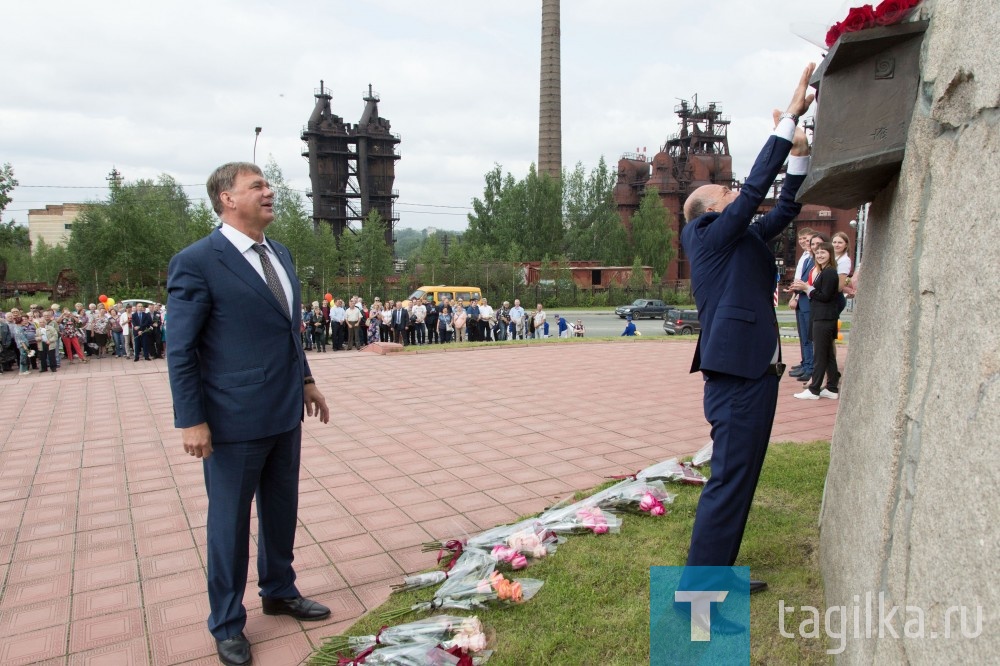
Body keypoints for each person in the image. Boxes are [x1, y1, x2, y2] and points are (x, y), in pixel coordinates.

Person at [166, 161, 331, 666]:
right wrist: (190, 419)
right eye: (256, 186)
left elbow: (287, 328)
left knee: (281, 510)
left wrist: (306, 379)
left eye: (268, 184)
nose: (269, 191)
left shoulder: (278, 252)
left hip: (284, 410)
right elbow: (181, 349)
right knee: (230, 525)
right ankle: (226, 622)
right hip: (232, 420)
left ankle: (279, 589)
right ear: (225, 199)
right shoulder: (197, 261)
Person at [679, 64, 814, 592]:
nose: (737, 194)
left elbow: (782, 208)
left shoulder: (740, 238)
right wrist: (788, 117)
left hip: (753, 372)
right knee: (729, 481)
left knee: (741, 480)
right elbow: (758, 187)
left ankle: (715, 577)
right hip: (736, 377)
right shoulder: (706, 234)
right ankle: (697, 596)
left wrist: (798, 151)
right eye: (727, 192)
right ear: (709, 210)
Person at [792, 241, 841, 400]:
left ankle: (814, 390)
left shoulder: (829, 272)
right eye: (817, 253)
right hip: (822, 316)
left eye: (823, 253)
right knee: (827, 355)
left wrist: (807, 289)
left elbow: (825, 296)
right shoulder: (824, 271)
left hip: (824, 317)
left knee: (819, 355)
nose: (819, 255)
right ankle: (832, 388)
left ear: (830, 254)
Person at [786, 227, 815, 381]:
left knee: (809, 336)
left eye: (807, 239)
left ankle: (810, 367)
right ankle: (806, 363)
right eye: (801, 239)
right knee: (803, 335)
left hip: (808, 299)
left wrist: (797, 295)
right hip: (801, 298)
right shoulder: (805, 257)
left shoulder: (815, 258)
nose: (804, 242)